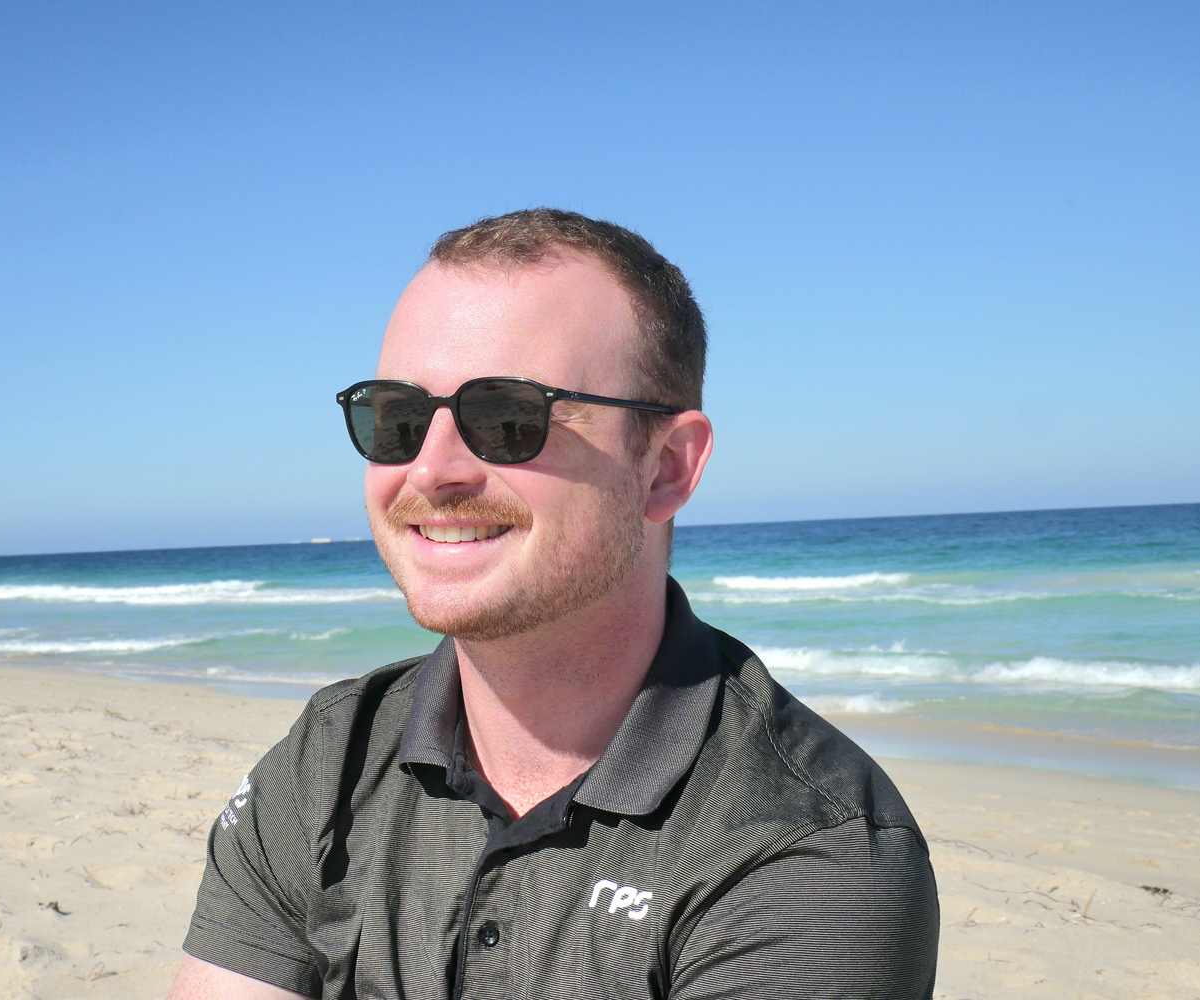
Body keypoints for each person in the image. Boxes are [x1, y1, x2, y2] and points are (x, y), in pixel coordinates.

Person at [169, 209, 940, 1000]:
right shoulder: (333, 759)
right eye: (396, 417)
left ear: (668, 468)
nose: (431, 471)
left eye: (506, 417)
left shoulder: (806, 849)